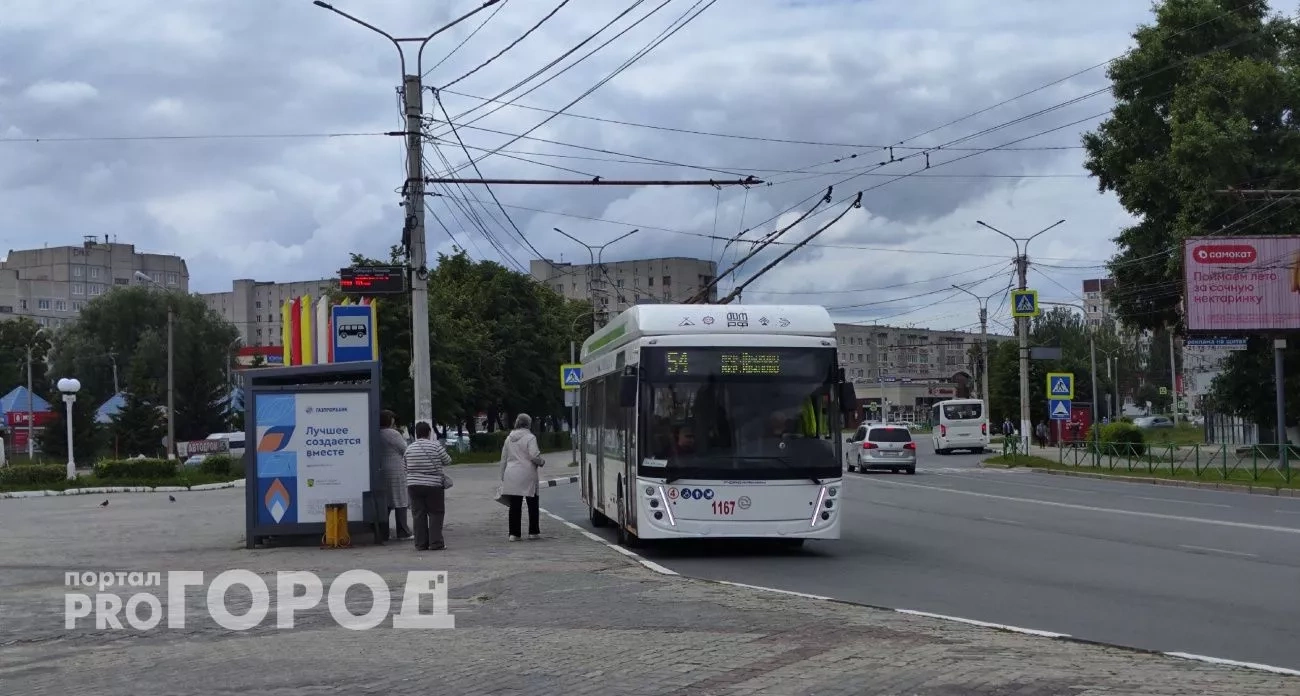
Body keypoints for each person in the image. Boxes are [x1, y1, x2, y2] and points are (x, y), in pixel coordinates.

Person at [404, 421, 452, 551]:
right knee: (436, 513)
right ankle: (436, 543)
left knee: (418, 514)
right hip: (433, 485)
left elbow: (405, 467)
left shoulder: (409, 448)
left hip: (413, 485)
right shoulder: (435, 446)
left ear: (416, 433)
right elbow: (448, 461)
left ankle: (420, 544)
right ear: (429, 433)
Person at [500, 413, 546, 541]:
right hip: (527, 474)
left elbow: (503, 459)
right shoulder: (530, 438)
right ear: (528, 424)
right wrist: (541, 462)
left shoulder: (509, 438)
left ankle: (514, 534)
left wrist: (502, 476)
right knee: (532, 503)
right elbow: (534, 456)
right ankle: (533, 532)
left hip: (511, 473)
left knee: (515, 505)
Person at [378, 410, 411, 540]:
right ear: (389, 420)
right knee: (400, 499)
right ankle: (403, 531)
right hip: (396, 469)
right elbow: (405, 449)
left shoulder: (376, 432)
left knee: (385, 501)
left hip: (381, 469)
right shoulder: (393, 434)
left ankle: (383, 532)